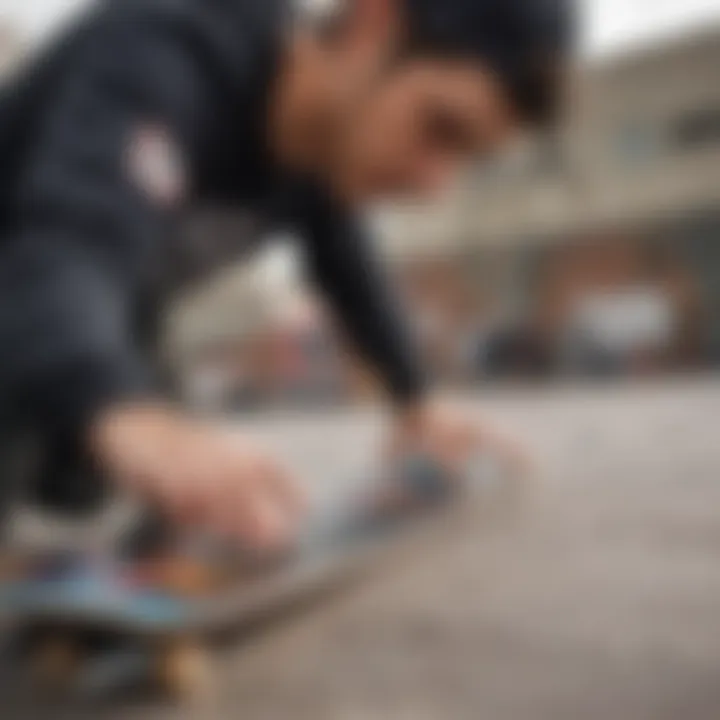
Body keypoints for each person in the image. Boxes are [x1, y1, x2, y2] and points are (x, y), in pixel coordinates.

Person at [0, 0, 572, 552]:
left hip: (104, 308)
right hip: (30, 279)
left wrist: (415, 398)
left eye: (465, 157)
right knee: (102, 408)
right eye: (440, 128)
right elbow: (66, 248)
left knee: (127, 473)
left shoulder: (320, 149)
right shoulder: (169, 52)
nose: (433, 184)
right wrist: (123, 410)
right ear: (375, 19)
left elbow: (348, 266)